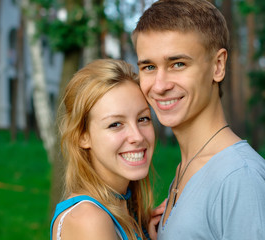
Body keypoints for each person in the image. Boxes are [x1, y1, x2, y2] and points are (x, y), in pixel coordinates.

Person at [132, 0, 265, 239]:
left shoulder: (239, 178)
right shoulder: (186, 168)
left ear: (218, 65)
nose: (160, 86)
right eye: (149, 67)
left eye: (178, 64)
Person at [50, 59, 161, 240]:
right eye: (115, 124)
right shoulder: (89, 219)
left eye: (143, 119)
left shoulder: (126, 210)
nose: (138, 136)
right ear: (82, 136)